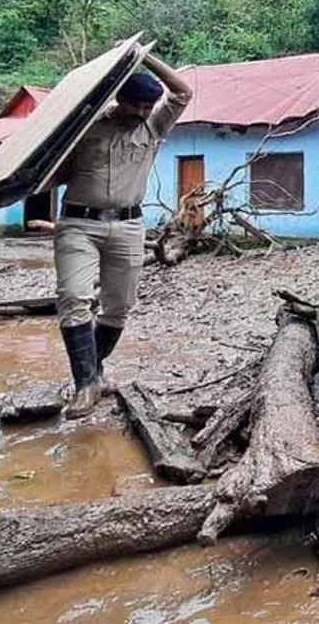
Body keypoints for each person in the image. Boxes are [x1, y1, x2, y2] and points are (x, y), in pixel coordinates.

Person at [54, 53, 193, 419]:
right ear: (120, 101)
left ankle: (94, 372)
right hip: (78, 225)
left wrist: (146, 58)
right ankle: (85, 385)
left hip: (129, 227)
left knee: (118, 306)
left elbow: (183, 92)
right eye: (137, 105)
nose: (143, 112)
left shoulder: (153, 127)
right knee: (74, 297)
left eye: (149, 106)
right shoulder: (84, 127)